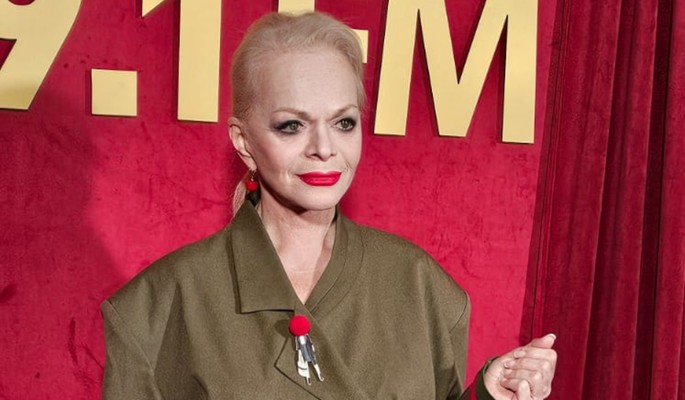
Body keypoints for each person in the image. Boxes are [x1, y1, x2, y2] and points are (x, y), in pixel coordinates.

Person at [101, 11, 557, 400]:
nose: (324, 148)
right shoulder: (155, 308)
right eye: (291, 126)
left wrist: (488, 395)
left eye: (343, 122)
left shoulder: (421, 286)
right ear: (243, 142)